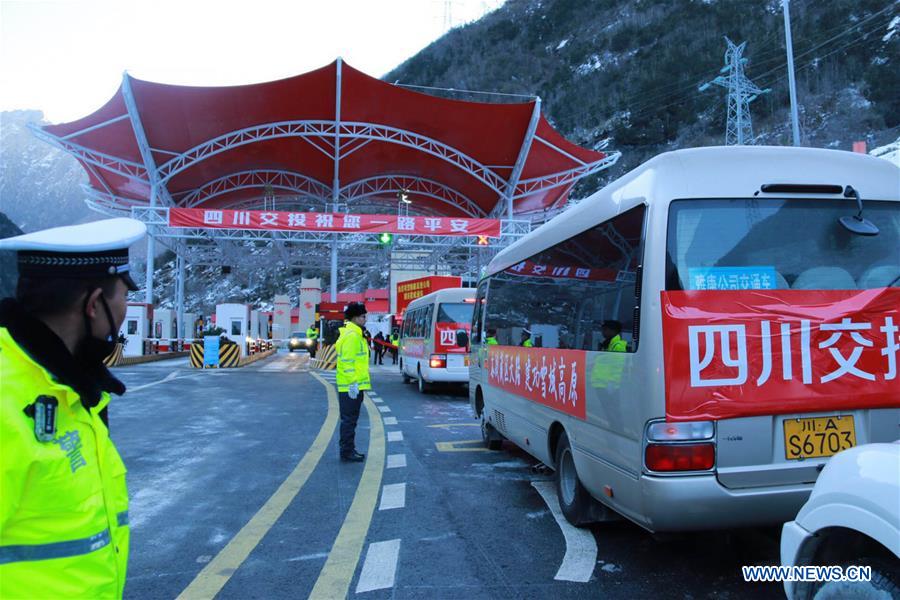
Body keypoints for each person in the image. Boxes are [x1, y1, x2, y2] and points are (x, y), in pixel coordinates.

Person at [0, 217, 146, 599]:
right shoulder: (7, 398)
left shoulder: (69, 387)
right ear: (94, 304)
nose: (125, 311)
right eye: (124, 298)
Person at [335, 302, 371, 462]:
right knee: (349, 420)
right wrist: (353, 383)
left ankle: (348, 449)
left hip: (353, 386)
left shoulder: (356, 334)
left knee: (350, 420)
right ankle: (347, 451)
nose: (365, 319)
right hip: (351, 386)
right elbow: (347, 363)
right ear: (355, 318)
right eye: (363, 316)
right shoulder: (352, 337)